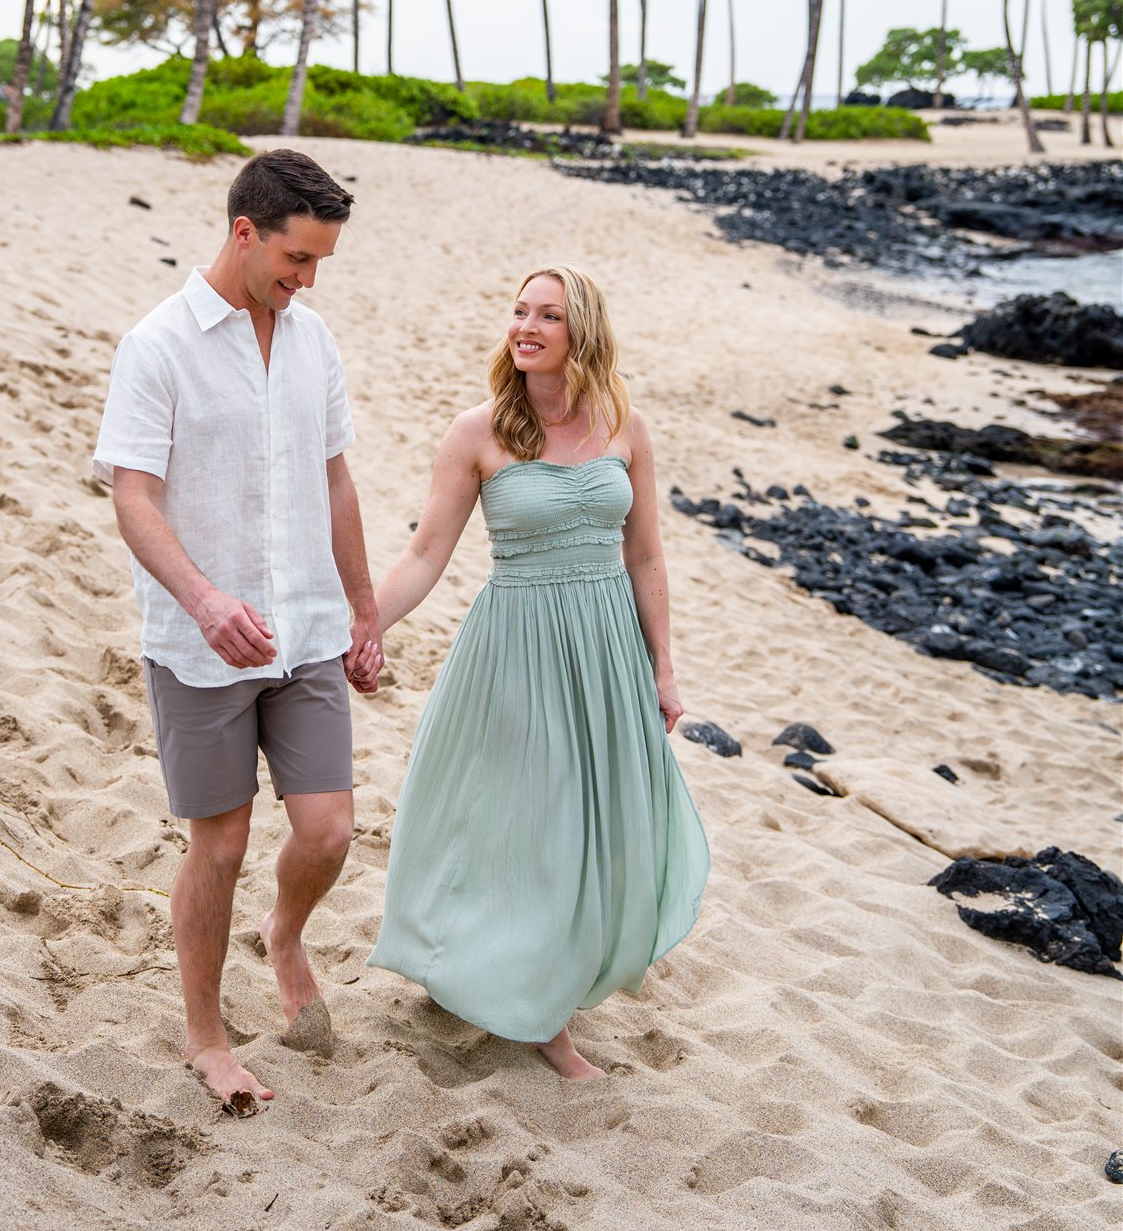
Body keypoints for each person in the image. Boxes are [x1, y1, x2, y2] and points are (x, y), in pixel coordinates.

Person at [366, 264, 709, 1079]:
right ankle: (543, 1018)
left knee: (595, 827)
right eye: (518, 311)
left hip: (606, 652)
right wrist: (361, 629)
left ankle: (541, 980)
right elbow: (424, 554)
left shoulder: (624, 424)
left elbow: (646, 555)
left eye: (545, 316)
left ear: (579, 334)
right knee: (537, 823)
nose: (524, 326)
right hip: (517, 648)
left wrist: (662, 666)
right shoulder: (476, 432)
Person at [93, 149, 381, 1106]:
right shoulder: (159, 344)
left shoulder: (313, 339)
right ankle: (206, 1034)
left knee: (329, 832)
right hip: (198, 643)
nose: (306, 282)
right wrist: (204, 600)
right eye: (297, 260)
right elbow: (133, 498)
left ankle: (286, 933)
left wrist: (364, 607)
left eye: (321, 265)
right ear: (243, 231)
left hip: (304, 629)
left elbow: (336, 480)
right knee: (217, 846)